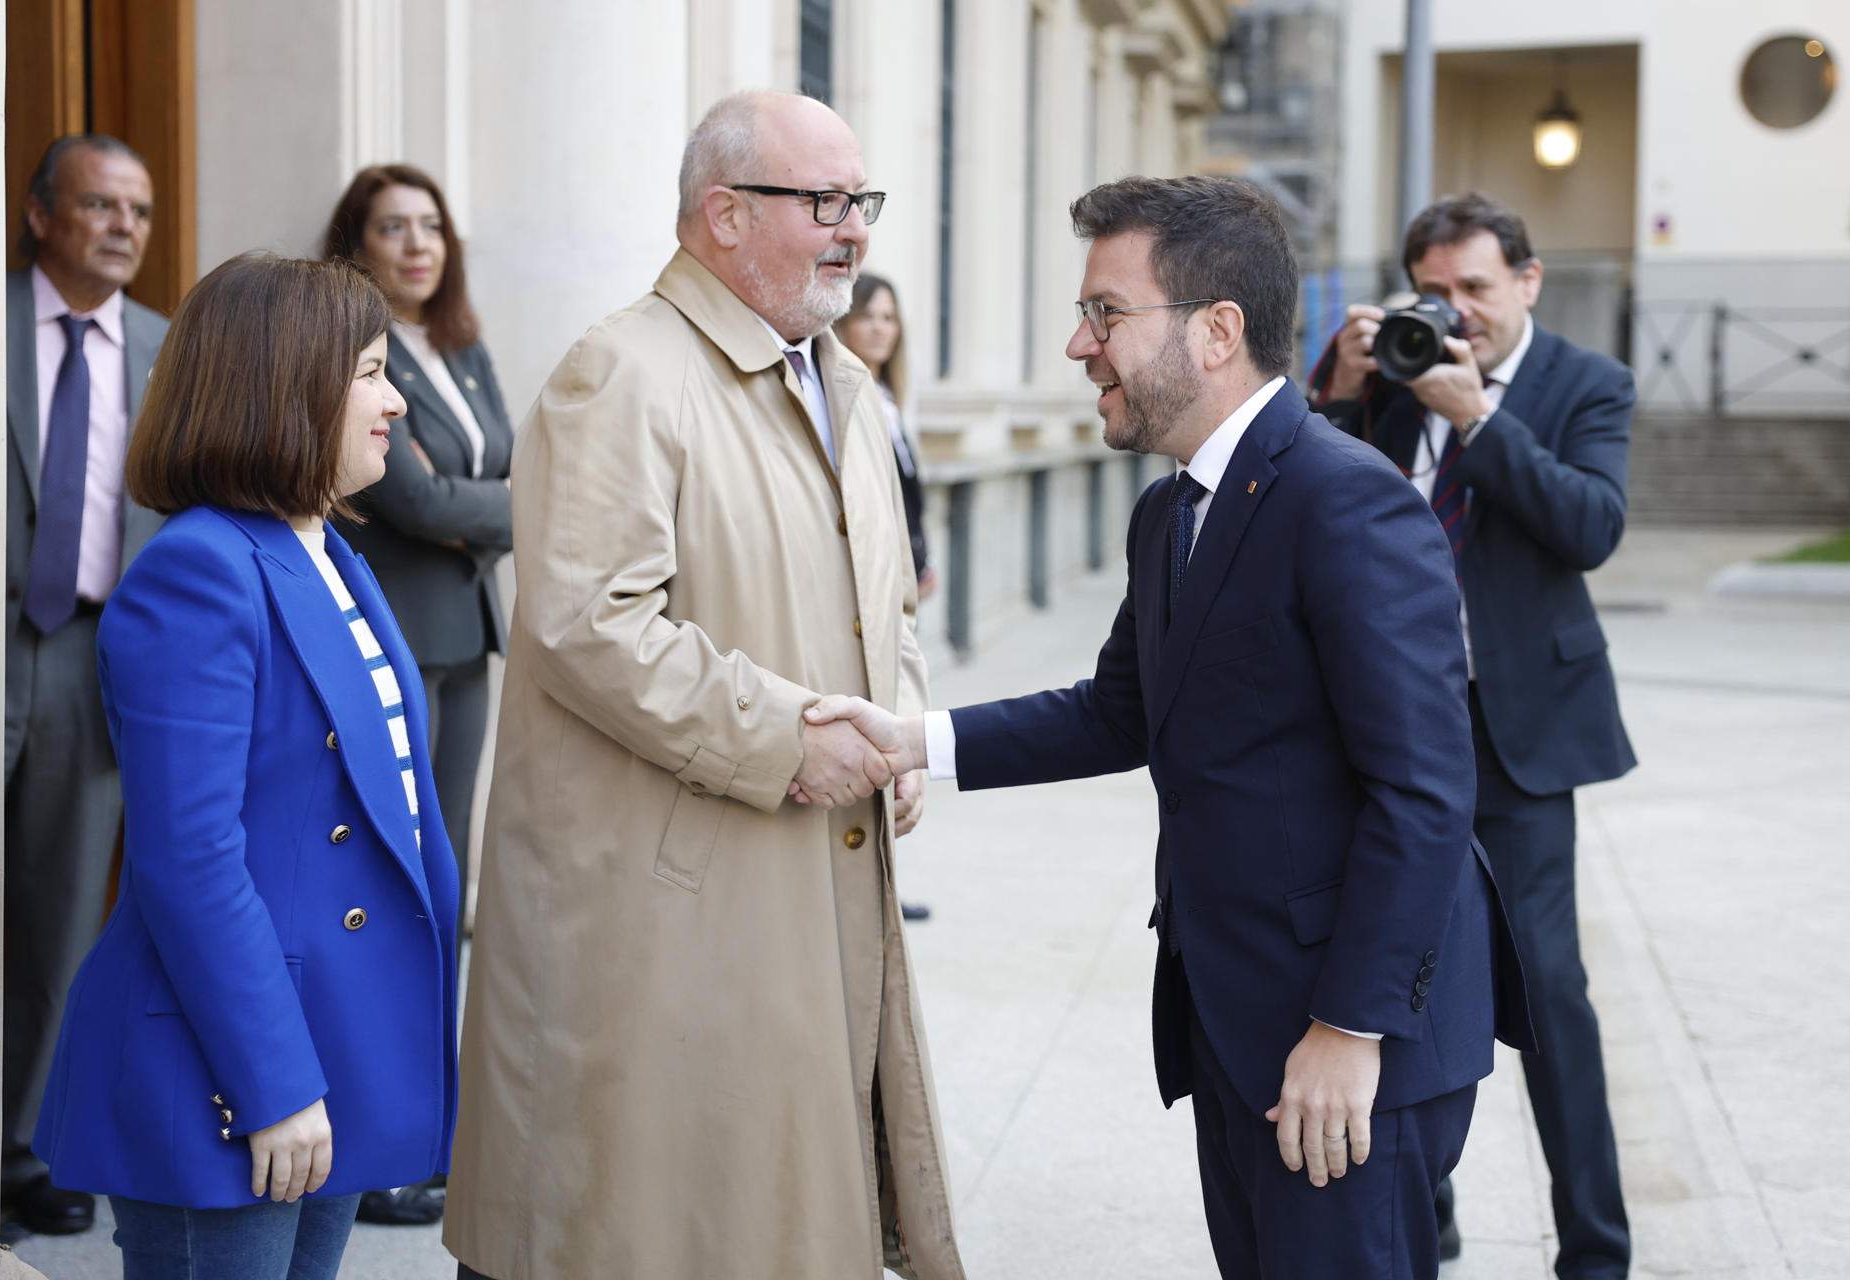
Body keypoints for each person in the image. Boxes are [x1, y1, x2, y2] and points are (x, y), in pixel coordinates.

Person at [800, 175, 1534, 1280]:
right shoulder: (1170, 508)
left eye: (1105, 312)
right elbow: (1119, 710)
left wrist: (1350, 1026)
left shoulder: (1345, 498)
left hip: (1343, 1042)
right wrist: (911, 739)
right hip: (1237, 1020)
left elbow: (1426, 791)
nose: (1076, 344)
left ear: (1216, 331)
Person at [442, 90, 962, 1280]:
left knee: (773, 1209)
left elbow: (882, 594)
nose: (855, 230)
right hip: (663, 911)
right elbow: (583, 622)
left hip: (801, 876)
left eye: (861, 202)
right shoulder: (620, 372)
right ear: (722, 215)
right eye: (824, 202)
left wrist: (898, 724)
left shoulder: (850, 387)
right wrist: (791, 737)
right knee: (642, 1220)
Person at [30, 253, 461, 1280]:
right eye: (368, 372)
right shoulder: (200, 566)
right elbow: (189, 859)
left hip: (336, 1043)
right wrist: (270, 1080)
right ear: (285, 381)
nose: (396, 399)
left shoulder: (331, 552)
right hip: (230, 1063)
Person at [1310, 192, 1638, 1278]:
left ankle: (1594, 1247)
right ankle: (1428, 1212)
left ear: (1529, 282)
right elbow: (1319, 512)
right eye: (1434, 292)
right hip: (1393, 741)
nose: (1455, 313)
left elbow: (1590, 524)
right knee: (1399, 975)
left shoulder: (1585, 383)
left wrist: (1481, 419)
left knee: (1549, 991)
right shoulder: (1392, 382)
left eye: (1477, 291)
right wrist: (1341, 393)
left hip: (1519, 738)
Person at [322, 164, 513, 1226]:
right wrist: (478, 505)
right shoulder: (350, 354)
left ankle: (427, 1125)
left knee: (444, 883)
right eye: (392, 227)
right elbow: (414, 493)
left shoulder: (465, 346)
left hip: (466, 635)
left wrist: (470, 508)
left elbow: (499, 482)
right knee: (392, 886)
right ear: (357, 242)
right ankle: (381, 1138)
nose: (416, 244)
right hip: (393, 638)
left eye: (431, 225)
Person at [1, 132, 169, 1243]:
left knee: (60, 912)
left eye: (140, 211)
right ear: (41, 213)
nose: (122, 226)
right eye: (101, 204)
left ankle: (17, 1150)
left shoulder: (166, 347)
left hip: (95, 649)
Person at [836, 273, 935, 924]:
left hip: (904, 578)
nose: (880, 328)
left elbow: (909, 494)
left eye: (890, 319)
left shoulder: (891, 399)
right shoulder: (849, 397)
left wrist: (919, 562)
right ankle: (873, 884)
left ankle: (886, 880)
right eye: (869, 316)